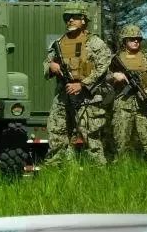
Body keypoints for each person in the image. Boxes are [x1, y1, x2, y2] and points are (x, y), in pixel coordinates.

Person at [42, 10, 111, 167]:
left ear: (84, 20)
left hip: (87, 97)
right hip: (63, 96)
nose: (70, 20)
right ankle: (54, 171)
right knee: (56, 134)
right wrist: (51, 66)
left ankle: (98, 172)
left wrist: (82, 84)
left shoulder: (95, 43)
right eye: (67, 18)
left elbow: (103, 67)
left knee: (90, 137)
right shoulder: (59, 42)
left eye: (75, 17)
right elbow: (47, 63)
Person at [109, 23, 147, 166]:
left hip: (143, 105)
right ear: (124, 40)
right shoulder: (115, 59)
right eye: (132, 38)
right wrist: (114, 76)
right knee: (120, 142)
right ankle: (122, 172)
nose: (136, 41)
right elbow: (101, 77)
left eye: (138, 39)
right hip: (122, 105)